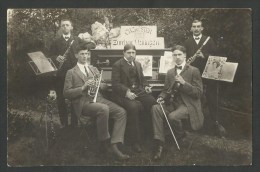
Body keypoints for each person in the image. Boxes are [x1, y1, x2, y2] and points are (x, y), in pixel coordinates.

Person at [63, 42, 129, 160]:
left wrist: (100, 84)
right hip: (84, 103)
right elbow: (66, 93)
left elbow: (104, 86)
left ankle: (115, 144)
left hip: (99, 99)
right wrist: (83, 88)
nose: (85, 56)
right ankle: (104, 144)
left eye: (87, 54)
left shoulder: (94, 69)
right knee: (104, 109)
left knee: (121, 112)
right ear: (76, 55)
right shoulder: (71, 72)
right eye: (82, 54)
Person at [151, 45, 203, 160]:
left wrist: (184, 83)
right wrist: (161, 97)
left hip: (188, 104)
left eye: (180, 54)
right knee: (156, 108)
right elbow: (165, 90)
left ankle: (181, 135)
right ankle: (160, 143)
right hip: (172, 103)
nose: (177, 57)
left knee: (173, 117)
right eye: (175, 55)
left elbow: (199, 93)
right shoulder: (170, 72)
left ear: (185, 56)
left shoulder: (194, 71)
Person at [111, 43, 157, 152]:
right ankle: (135, 141)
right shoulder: (117, 65)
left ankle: (151, 134)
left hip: (138, 92)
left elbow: (143, 79)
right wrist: (126, 92)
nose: (131, 55)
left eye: (133, 52)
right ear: (124, 53)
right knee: (133, 107)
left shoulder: (137, 64)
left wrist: (146, 87)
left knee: (152, 102)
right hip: (122, 94)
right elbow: (115, 84)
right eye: (129, 53)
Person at [184, 19, 226, 136]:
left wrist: (204, 56)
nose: (196, 29)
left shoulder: (209, 40)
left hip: (209, 74)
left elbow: (218, 57)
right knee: (194, 98)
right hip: (194, 75)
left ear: (202, 28)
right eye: (194, 26)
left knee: (212, 98)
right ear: (191, 28)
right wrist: (187, 61)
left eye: (198, 26)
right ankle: (195, 123)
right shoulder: (187, 42)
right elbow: (184, 57)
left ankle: (215, 123)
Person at [49, 19, 86, 128]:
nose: (65, 27)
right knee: (61, 98)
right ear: (61, 28)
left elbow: (86, 50)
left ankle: (75, 123)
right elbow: (50, 56)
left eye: (67, 25)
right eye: (63, 25)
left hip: (75, 74)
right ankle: (64, 123)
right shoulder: (56, 42)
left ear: (71, 27)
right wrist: (56, 57)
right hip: (60, 75)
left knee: (75, 97)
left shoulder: (77, 40)